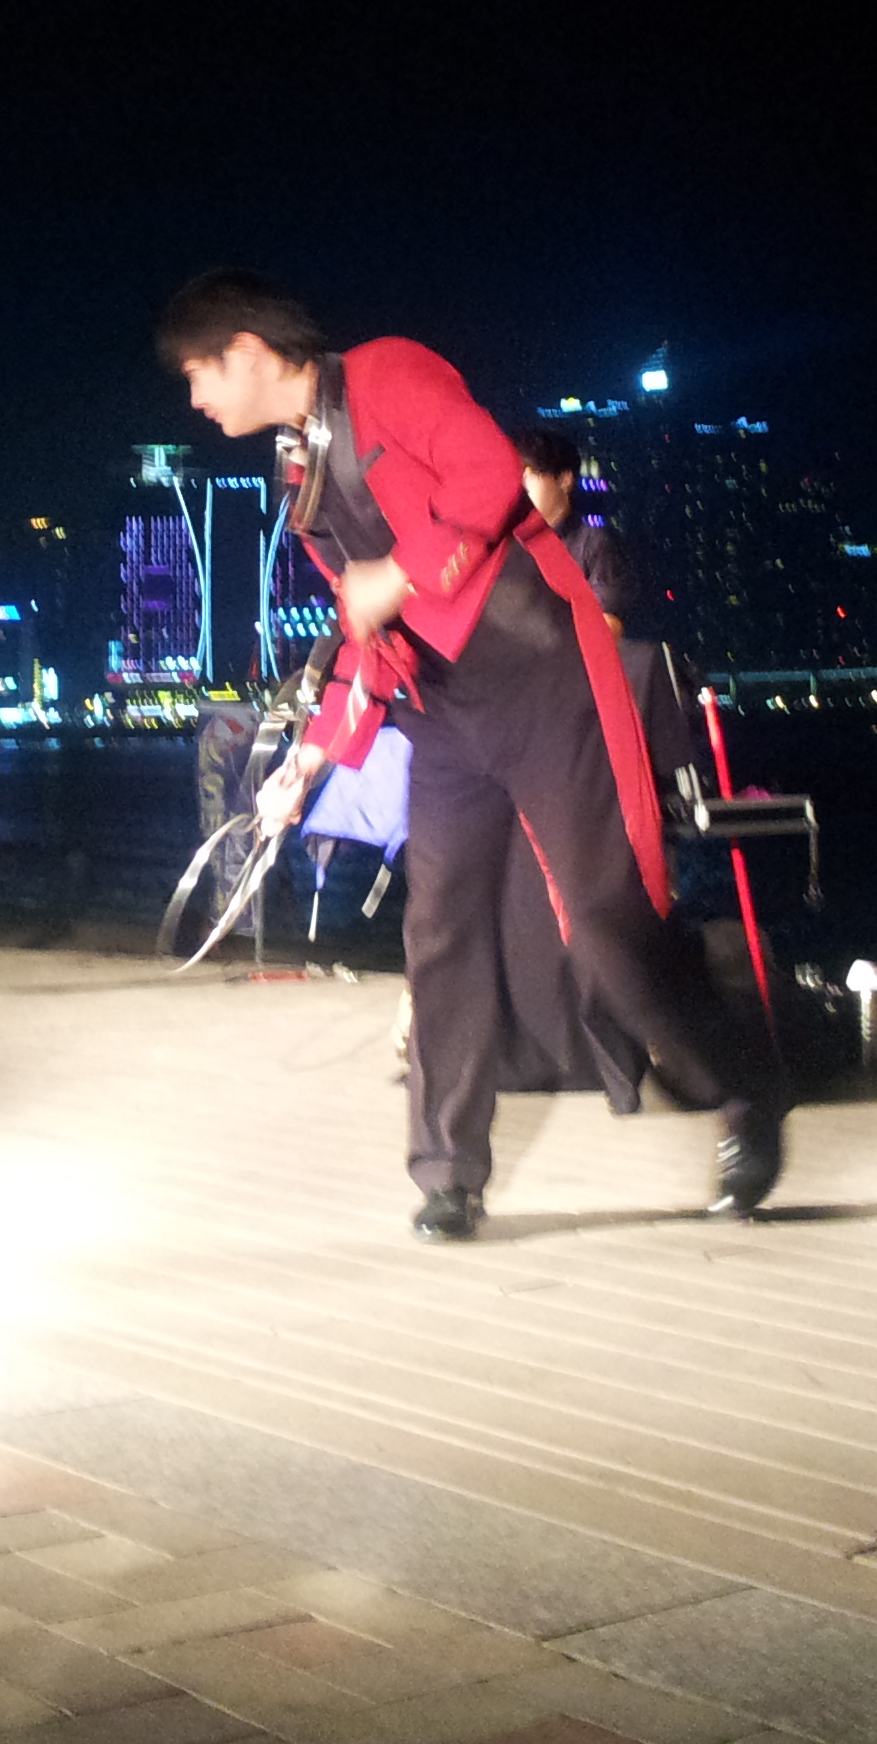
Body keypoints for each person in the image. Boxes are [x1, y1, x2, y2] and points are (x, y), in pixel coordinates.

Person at [162, 270, 783, 1242]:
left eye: (199, 373)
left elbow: (490, 476)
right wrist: (312, 760)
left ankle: (742, 1089)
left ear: (246, 350)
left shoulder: (385, 374)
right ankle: (449, 1175)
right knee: (440, 930)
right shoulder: (300, 472)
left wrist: (400, 575)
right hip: (443, 717)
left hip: (543, 688)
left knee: (605, 924)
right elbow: (366, 631)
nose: (196, 398)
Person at [515, 426, 636, 630]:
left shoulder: (594, 543)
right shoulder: (511, 542)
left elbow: (608, 624)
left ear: (564, 480)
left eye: (531, 476)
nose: (522, 488)